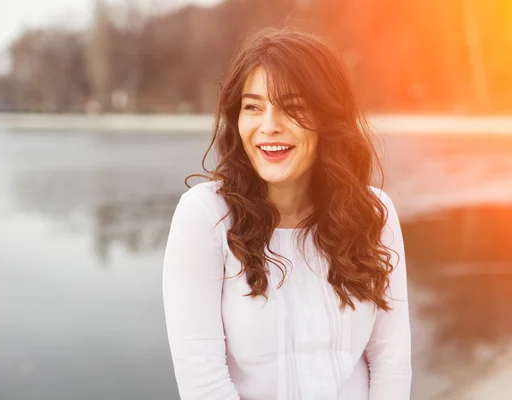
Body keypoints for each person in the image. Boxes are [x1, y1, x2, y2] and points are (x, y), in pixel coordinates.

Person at [162, 26, 411, 400]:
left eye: (293, 107)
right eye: (253, 107)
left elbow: (390, 360)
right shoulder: (205, 215)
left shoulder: (374, 213)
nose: (269, 126)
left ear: (329, 118)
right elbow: (203, 383)